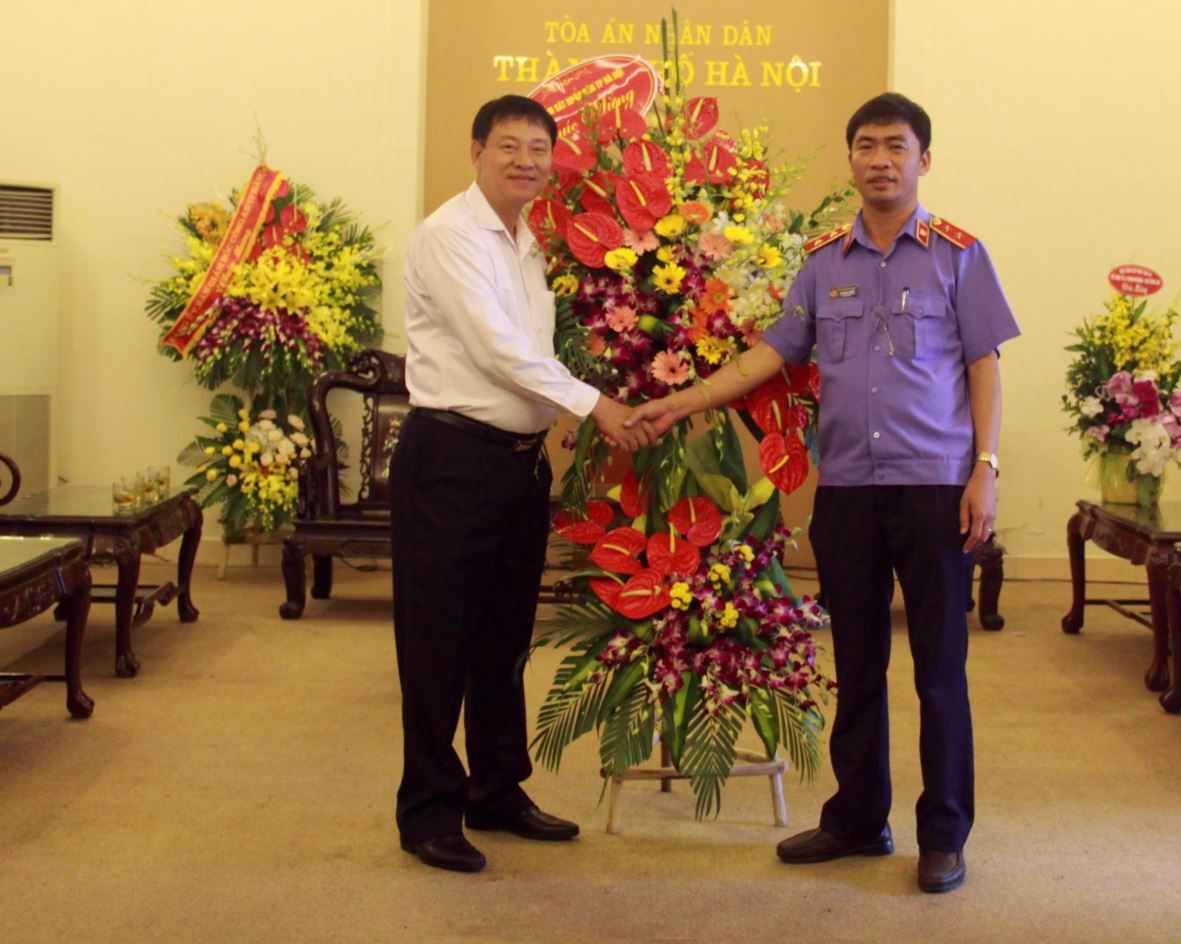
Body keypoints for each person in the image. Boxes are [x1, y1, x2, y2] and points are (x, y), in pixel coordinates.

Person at [627, 92, 1018, 894]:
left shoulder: (959, 255)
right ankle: (857, 820)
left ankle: (944, 832)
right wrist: (681, 401)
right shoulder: (822, 261)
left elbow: (985, 364)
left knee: (940, 671)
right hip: (848, 492)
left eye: (896, 146)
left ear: (923, 160)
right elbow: (772, 354)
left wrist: (986, 467)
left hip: (936, 488)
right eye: (867, 145)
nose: (881, 160)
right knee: (858, 664)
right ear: (851, 160)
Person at [391, 94, 655, 873]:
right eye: (509, 146)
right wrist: (594, 404)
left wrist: (567, 407)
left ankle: (496, 789)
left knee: (504, 635)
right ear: (476, 151)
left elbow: (532, 355)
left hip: (515, 464)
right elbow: (497, 348)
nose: (525, 161)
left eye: (539, 149)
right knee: (439, 640)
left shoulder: (530, 242)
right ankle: (428, 810)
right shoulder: (450, 234)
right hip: (451, 460)